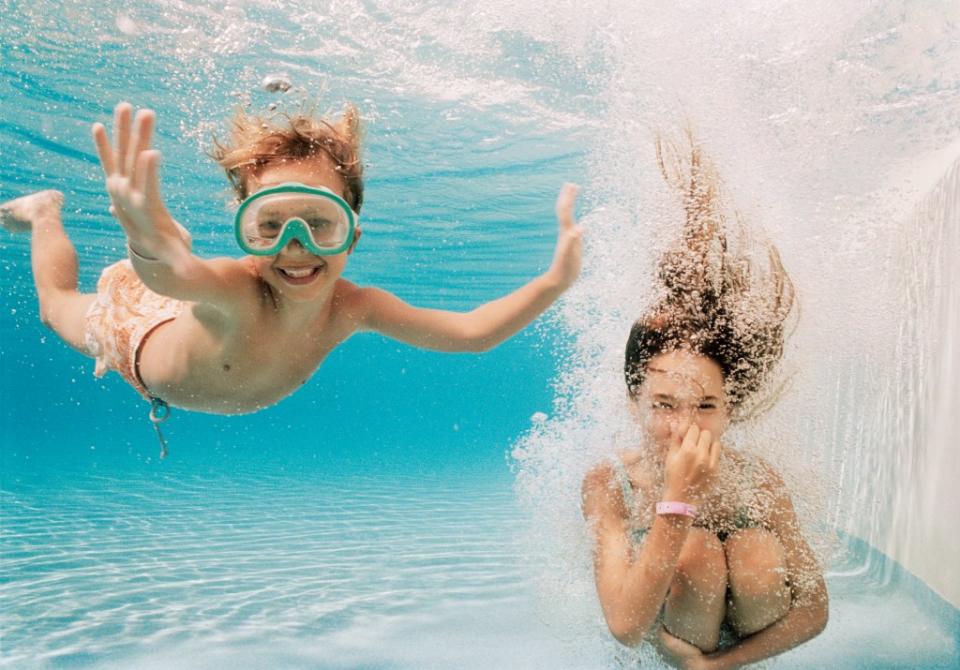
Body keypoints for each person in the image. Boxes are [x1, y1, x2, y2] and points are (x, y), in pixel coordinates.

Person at [1, 102, 581, 430]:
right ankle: (45, 214)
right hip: (138, 331)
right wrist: (149, 241)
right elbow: (173, 277)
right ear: (245, 233)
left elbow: (471, 333)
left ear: (353, 234)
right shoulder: (235, 286)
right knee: (56, 308)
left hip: (181, 312)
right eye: (271, 226)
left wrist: (554, 281)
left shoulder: (355, 308)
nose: (296, 248)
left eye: (319, 225)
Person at [580, 130, 827, 669]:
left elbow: (815, 609)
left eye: (706, 406)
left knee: (756, 551)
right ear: (634, 403)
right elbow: (624, 627)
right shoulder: (610, 484)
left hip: (728, 656)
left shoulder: (758, 482)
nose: (685, 428)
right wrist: (676, 500)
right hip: (663, 646)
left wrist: (719, 666)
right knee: (695, 551)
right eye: (665, 404)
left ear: (731, 405)